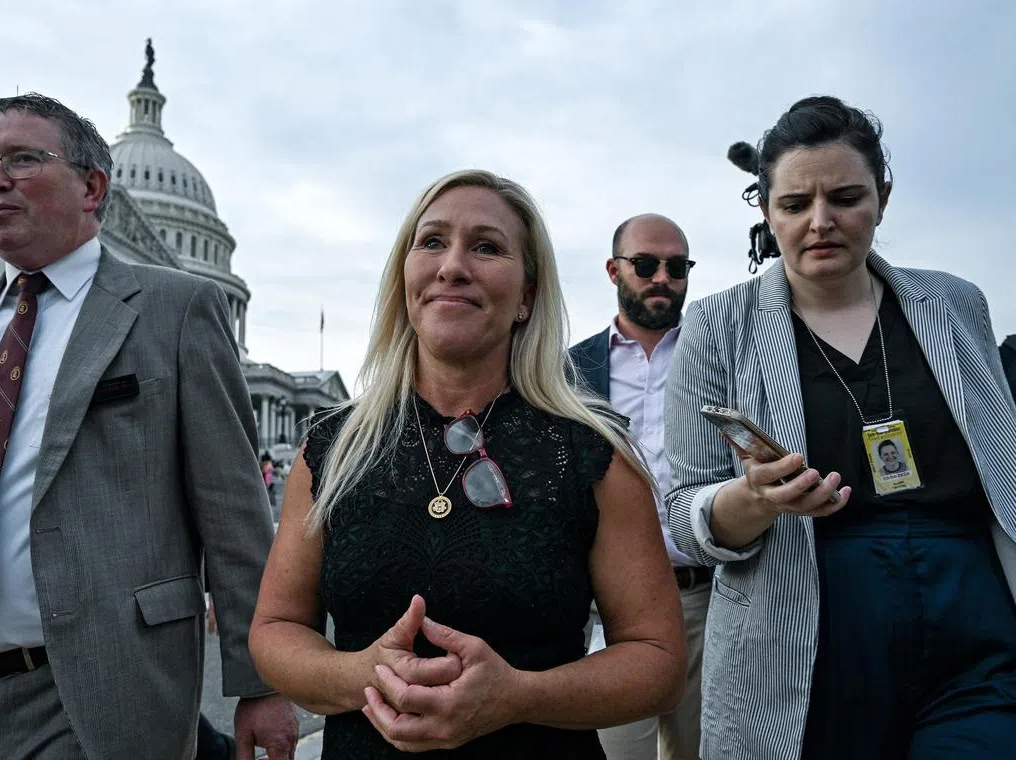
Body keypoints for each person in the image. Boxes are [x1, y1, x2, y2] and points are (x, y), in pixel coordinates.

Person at [0, 93, 298, 759]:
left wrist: (259, 682)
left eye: (22, 159)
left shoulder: (178, 309)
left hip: (94, 693)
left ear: (93, 187)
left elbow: (233, 511)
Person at [250, 169, 686, 758]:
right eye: (431, 242)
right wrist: (362, 675)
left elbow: (657, 662)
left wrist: (520, 696)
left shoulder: (593, 451)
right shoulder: (333, 445)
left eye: (486, 247)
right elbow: (275, 631)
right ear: (405, 275)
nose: (452, 265)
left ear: (528, 295)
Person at [665, 95, 1016, 760]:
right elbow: (688, 517)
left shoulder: (956, 303)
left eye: (846, 197)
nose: (820, 222)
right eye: (795, 205)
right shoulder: (717, 328)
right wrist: (756, 499)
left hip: (973, 622)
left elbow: (1006, 466)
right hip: (807, 632)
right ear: (766, 211)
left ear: (883, 196)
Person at [569, 214, 705, 760]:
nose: (661, 279)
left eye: (677, 267)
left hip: (705, 597)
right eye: (646, 265)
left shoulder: (715, 354)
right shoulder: (570, 370)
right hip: (609, 610)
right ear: (613, 270)